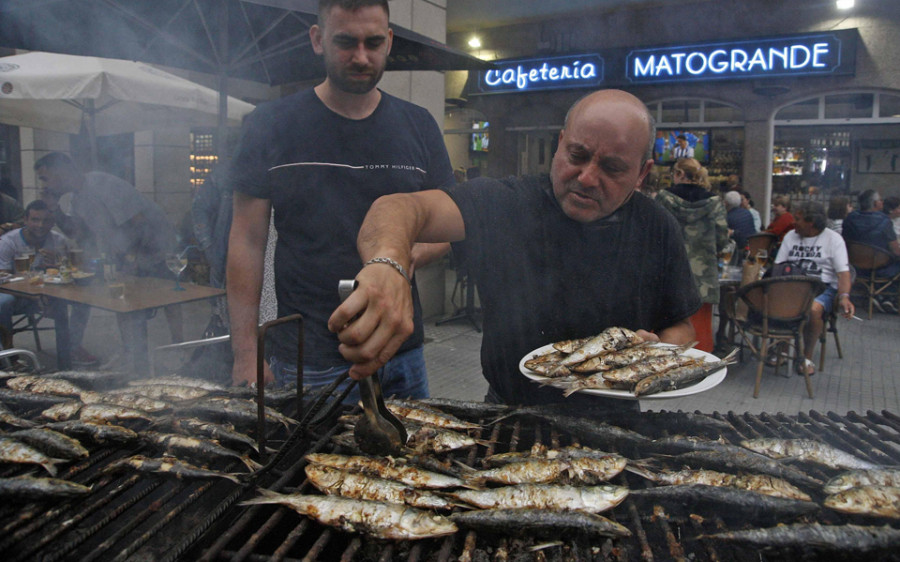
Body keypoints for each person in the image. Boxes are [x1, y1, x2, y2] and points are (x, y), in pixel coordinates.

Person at [329, 89, 700, 410]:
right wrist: (387, 265)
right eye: (577, 155)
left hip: (617, 417)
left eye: (613, 167)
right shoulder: (507, 203)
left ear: (642, 173)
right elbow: (398, 208)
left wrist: (659, 352)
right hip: (508, 412)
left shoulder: (657, 226)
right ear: (559, 143)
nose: (587, 177)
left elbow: (681, 326)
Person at [226, 0, 454, 398]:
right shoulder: (269, 124)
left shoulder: (419, 124)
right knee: (310, 462)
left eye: (373, 42)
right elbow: (246, 242)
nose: (361, 56)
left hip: (402, 354)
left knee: (410, 458)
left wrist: (401, 257)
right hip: (308, 358)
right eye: (346, 42)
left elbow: (448, 228)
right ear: (318, 40)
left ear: (389, 42)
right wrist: (246, 352)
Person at [33, 151, 184, 356]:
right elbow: (75, 232)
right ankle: (130, 354)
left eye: (45, 178)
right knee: (121, 299)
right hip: (124, 253)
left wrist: (132, 258)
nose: (45, 186)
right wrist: (54, 209)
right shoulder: (77, 200)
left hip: (155, 245)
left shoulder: (101, 183)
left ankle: (179, 348)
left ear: (61, 171)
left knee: (168, 296)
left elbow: (138, 221)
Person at [0, 200, 97, 365]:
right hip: (18, 296)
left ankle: (71, 347)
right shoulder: (8, 242)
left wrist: (58, 264)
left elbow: (72, 272)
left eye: (46, 221)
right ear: (26, 220)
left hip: (50, 293)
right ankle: (8, 352)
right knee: (3, 302)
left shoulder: (58, 240)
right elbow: (4, 279)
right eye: (35, 220)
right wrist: (33, 294)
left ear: (52, 222)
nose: (40, 225)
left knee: (83, 300)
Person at [773, 201, 854, 377]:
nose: (794, 222)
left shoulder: (833, 239)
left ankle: (805, 356)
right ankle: (784, 348)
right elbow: (778, 265)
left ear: (812, 223)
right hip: (791, 286)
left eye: (799, 219)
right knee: (773, 301)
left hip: (822, 287)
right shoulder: (790, 236)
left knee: (813, 310)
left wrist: (844, 296)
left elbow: (843, 274)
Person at [656, 157, 728, 353]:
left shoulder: (664, 198)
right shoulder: (714, 202)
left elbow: (653, 233)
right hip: (703, 278)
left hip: (669, 276)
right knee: (701, 328)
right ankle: (702, 369)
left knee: (669, 328)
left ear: (679, 174)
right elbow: (722, 240)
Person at [842, 189, 900, 312]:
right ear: (875, 204)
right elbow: (896, 250)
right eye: (880, 200)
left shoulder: (850, 219)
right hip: (881, 268)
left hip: (855, 266)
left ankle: (879, 297)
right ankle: (888, 297)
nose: (882, 202)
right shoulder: (885, 221)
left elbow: (844, 242)